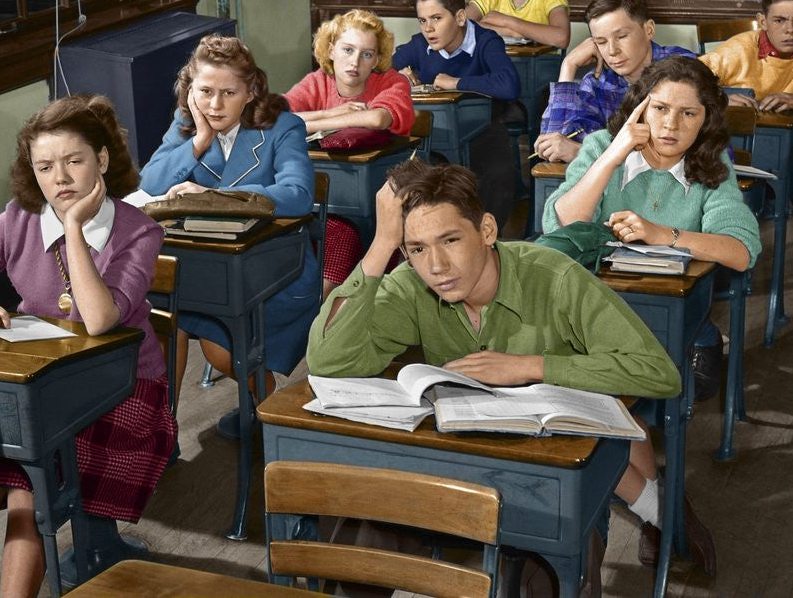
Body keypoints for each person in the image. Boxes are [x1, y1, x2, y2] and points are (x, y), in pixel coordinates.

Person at [305, 159, 713, 581]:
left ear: (486, 230)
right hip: (460, 466)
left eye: (450, 240)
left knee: (549, 567)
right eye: (417, 248)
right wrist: (382, 244)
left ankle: (658, 510)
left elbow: (658, 372)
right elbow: (329, 361)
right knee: (365, 541)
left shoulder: (555, 278)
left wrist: (530, 367)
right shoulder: (411, 286)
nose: (437, 266)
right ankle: (657, 507)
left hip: (551, 480)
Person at [0, 94, 177, 597]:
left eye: (74, 161)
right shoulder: (17, 220)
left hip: (123, 388)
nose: (60, 179)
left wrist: (73, 227)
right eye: (45, 167)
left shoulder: (138, 231)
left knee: (26, 487)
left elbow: (99, 320)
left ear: (102, 160)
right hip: (38, 384)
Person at [543, 55, 762, 406]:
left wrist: (664, 235)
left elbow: (741, 251)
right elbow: (562, 224)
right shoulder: (601, 145)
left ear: (706, 120)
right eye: (659, 108)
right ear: (640, 108)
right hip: (596, 302)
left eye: (688, 113)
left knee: (657, 390)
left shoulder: (711, 160)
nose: (671, 125)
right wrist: (613, 154)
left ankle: (700, 342)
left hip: (672, 311)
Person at [140, 34, 319, 436]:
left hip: (274, 269)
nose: (215, 105)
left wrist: (212, 198)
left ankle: (268, 408)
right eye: (205, 92)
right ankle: (164, 435)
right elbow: (150, 184)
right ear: (191, 90)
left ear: (251, 91)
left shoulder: (283, 125)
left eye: (228, 93)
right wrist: (199, 141)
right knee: (165, 320)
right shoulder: (186, 126)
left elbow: (298, 195)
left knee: (221, 353)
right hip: (206, 269)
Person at [284, 9, 414, 297]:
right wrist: (331, 113)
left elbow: (376, 118)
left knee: (342, 263)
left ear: (377, 59)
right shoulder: (317, 81)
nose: (355, 62)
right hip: (323, 202)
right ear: (331, 50)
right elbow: (274, 119)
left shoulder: (392, 82)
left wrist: (310, 121)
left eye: (367, 54)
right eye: (347, 50)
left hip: (380, 197)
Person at [392, 0, 522, 229]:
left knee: (497, 174)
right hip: (435, 133)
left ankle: (485, 238)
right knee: (418, 179)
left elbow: (509, 85)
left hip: (482, 128)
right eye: (422, 20)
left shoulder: (486, 41)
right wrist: (400, 78)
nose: (428, 28)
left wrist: (457, 83)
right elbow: (381, 70)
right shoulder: (419, 44)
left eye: (436, 18)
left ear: (460, 17)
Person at [535, 0, 696, 164]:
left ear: (649, 30)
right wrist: (568, 66)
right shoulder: (598, 81)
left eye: (621, 37)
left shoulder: (683, 68)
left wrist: (582, 152)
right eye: (601, 42)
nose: (612, 51)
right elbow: (554, 147)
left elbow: (674, 154)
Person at [699, 0, 793, 112]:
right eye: (779, 20)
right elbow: (680, 81)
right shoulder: (737, 51)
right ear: (763, 22)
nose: (791, 29)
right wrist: (720, 99)